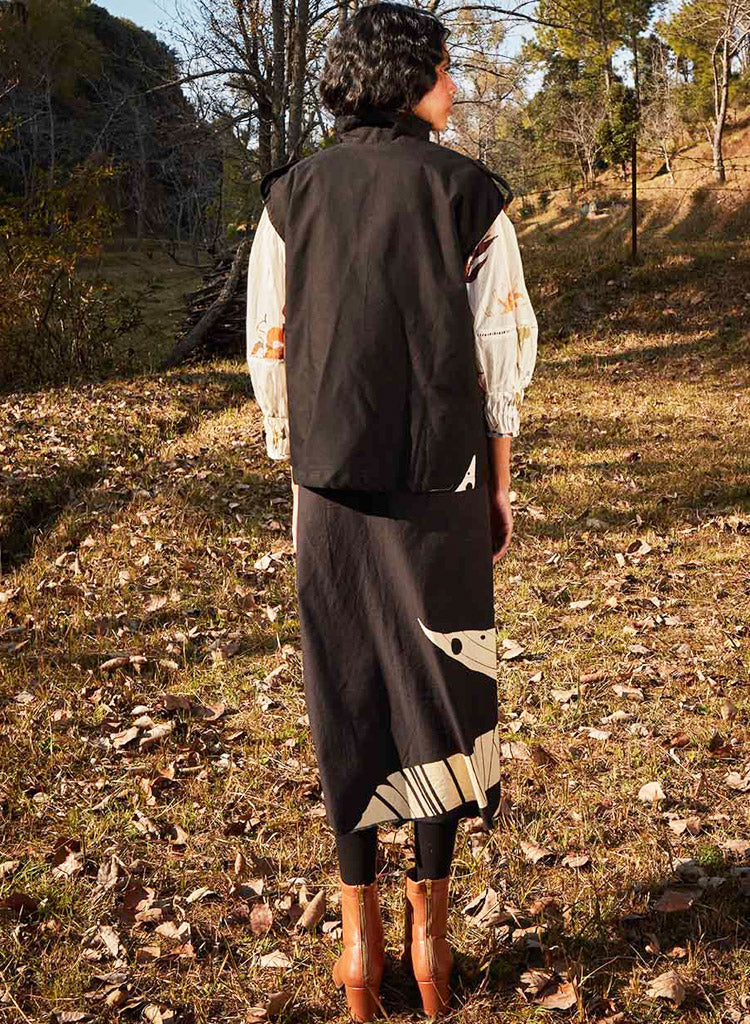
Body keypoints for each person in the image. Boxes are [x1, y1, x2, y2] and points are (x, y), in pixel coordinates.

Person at [246, 3, 537, 1018]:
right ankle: (431, 941)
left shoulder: (291, 195)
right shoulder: (470, 196)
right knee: (438, 691)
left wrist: (298, 464)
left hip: (325, 490)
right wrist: (499, 484)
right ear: (408, 78)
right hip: (440, 486)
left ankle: (358, 946)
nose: (455, 87)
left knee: (349, 691)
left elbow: (272, 347)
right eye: (446, 71)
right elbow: (499, 353)